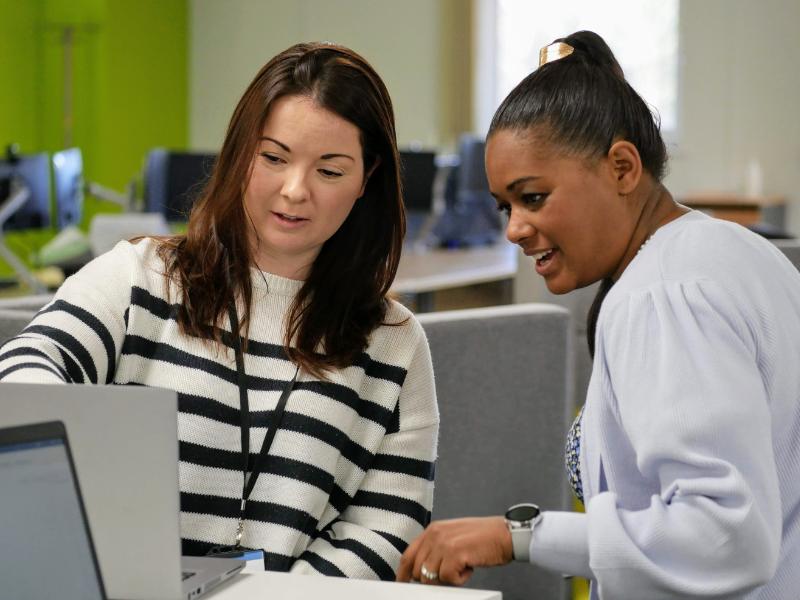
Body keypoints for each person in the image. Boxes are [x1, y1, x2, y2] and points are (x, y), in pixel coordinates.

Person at [0, 42, 438, 580]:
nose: (294, 191)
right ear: (239, 153)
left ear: (367, 178)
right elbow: (24, 370)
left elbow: (388, 529)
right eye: (273, 158)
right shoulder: (142, 277)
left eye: (329, 171)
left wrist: (267, 597)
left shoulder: (393, 343)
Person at [397, 30, 800, 599]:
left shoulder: (660, 295)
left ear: (622, 167)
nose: (514, 228)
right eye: (504, 206)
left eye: (532, 197)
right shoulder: (741, 253)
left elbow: (725, 533)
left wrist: (521, 536)